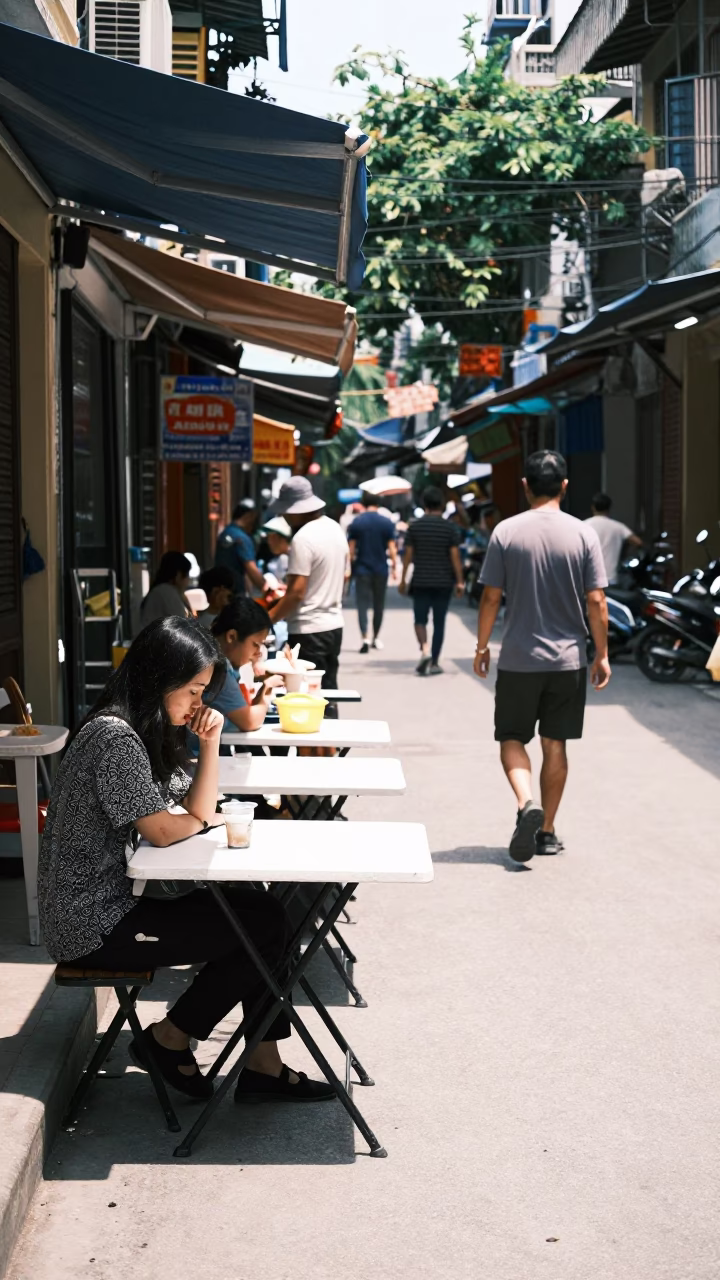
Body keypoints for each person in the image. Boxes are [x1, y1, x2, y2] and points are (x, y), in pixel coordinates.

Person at [38, 617, 334, 1104]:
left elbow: (194, 808)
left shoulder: (141, 731)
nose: (200, 704)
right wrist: (198, 823)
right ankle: (177, 1041)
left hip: (116, 906)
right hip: (91, 923)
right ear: (160, 678)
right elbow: (164, 827)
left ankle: (249, 1061)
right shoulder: (114, 737)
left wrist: (211, 741)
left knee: (263, 916)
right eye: (195, 691)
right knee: (261, 928)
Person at [474, 451, 610, 863]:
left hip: (518, 659)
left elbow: (491, 596)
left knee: (511, 737)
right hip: (568, 661)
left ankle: (526, 801)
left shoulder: (506, 532)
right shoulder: (583, 534)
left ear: (525, 485)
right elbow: (597, 600)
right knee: (556, 744)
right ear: (565, 486)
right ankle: (547, 831)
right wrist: (601, 654)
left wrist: (481, 647)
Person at [267, 477, 348, 701]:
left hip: (308, 630)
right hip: (333, 626)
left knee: (305, 698)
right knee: (327, 694)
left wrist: (266, 620)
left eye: (286, 511)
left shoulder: (303, 539)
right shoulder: (335, 528)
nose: (284, 516)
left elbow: (296, 594)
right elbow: (344, 574)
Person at [399, 486, 464, 676]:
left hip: (421, 580)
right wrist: (460, 581)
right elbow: (455, 557)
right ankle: (434, 661)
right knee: (439, 622)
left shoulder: (415, 526)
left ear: (424, 504)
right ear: (442, 505)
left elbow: (408, 556)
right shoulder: (450, 528)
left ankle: (425, 649)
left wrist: (403, 580)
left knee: (420, 619)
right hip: (444, 581)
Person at [206, 598, 282, 734]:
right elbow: (249, 721)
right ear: (232, 636)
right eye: (255, 644)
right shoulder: (217, 668)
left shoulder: (209, 652)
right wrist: (267, 693)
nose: (258, 652)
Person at [347, 493, 398, 653]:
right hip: (381, 569)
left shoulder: (357, 522)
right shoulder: (386, 523)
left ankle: (365, 638)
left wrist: (348, 567)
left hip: (362, 568)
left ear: (363, 503)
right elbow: (392, 548)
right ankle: (375, 637)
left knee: (362, 604)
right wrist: (395, 567)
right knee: (379, 604)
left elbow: (351, 549)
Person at [585, 492, 643, 583]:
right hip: (611, 579)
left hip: (589, 579)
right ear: (609, 508)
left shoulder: (583, 526)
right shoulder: (619, 527)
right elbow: (638, 542)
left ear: (593, 507)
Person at [215, 499, 264, 595]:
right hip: (235, 594)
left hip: (219, 592)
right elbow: (251, 570)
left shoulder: (225, 533)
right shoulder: (242, 538)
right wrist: (267, 589)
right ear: (249, 516)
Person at [140, 552, 192, 627]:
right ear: (178, 575)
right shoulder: (167, 592)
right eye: (187, 575)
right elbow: (182, 625)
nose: (188, 580)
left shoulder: (161, 590)